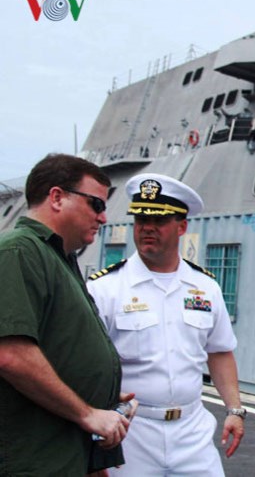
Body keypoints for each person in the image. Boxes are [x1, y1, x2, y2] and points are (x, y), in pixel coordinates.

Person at [87, 173, 246, 476]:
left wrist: (235, 409)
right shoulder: (104, 289)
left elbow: (219, 352)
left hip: (192, 431)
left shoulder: (205, 287)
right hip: (130, 432)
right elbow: (85, 365)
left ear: (181, 226)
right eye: (141, 219)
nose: (147, 227)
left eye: (158, 220)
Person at [0, 154, 130, 476]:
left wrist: (100, 392)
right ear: (57, 198)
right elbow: (11, 354)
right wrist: (87, 413)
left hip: (66, 452)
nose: (103, 217)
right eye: (96, 204)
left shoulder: (58, 258)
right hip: (35, 459)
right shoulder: (19, 251)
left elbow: (58, 348)